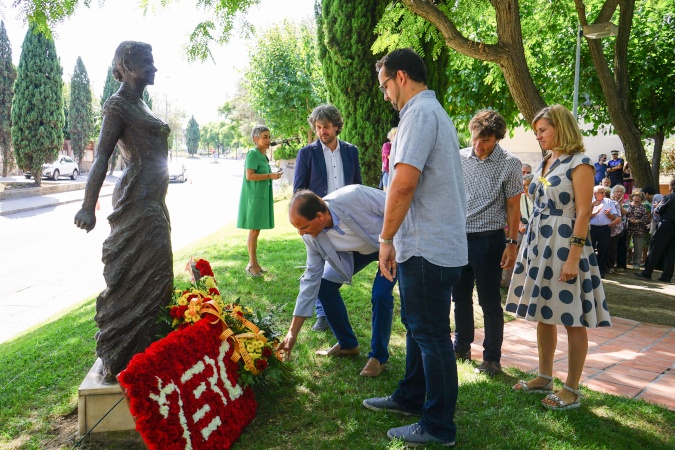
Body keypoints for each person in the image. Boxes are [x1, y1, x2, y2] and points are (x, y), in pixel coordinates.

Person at [362, 48, 467, 447]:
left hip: (426, 247)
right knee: (419, 329)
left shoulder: (420, 114)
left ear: (401, 77)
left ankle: (438, 425)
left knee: (431, 335)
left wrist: (386, 239)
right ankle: (409, 397)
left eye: (385, 85)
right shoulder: (429, 112)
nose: (385, 94)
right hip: (430, 244)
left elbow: (403, 184)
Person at [74, 41, 173, 382]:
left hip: (154, 201)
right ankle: (124, 350)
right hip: (138, 202)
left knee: (156, 277)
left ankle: (148, 351)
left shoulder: (140, 103)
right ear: (128, 65)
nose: (154, 68)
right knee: (147, 274)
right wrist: (88, 206)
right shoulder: (118, 105)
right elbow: (101, 156)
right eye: (148, 61)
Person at [506, 104, 611, 411]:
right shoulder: (547, 161)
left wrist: (573, 258)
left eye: (543, 131)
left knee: (572, 317)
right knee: (543, 313)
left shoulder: (581, 164)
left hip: (565, 243)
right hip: (540, 241)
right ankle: (544, 376)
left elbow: (582, 212)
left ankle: (572, 389)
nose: (538, 137)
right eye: (537, 131)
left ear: (560, 128)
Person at [278, 186, 397, 377]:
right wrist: (293, 332)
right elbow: (310, 280)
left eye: (303, 227)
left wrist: (393, 243)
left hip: (391, 245)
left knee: (381, 294)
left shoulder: (354, 195)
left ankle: (378, 357)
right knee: (324, 287)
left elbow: (397, 206)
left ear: (320, 216)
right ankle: (348, 344)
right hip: (358, 252)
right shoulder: (311, 238)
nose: (301, 234)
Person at [452, 110, 522, 377]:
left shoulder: (509, 163)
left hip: (489, 240)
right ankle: (461, 347)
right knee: (459, 298)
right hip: (458, 238)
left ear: (497, 139)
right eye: (475, 139)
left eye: (486, 141)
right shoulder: (459, 157)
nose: (478, 145)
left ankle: (492, 358)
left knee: (490, 302)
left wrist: (512, 242)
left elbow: (513, 206)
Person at [294, 104, 362, 331]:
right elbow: (299, 191)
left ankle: (329, 306)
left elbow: (357, 185)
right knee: (316, 267)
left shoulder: (351, 151)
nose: (322, 131)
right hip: (316, 219)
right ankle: (322, 314)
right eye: (318, 127)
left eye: (326, 126)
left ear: (336, 126)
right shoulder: (307, 153)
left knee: (339, 265)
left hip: (344, 218)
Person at [237, 125, 282, 277]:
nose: (268, 140)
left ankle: (254, 263)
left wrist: (273, 175)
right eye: (265, 137)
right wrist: (270, 176)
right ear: (255, 139)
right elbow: (249, 176)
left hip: (261, 197)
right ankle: (251, 264)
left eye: (269, 136)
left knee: (256, 231)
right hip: (253, 198)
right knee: (254, 231)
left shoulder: (263, 156)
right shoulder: (253, 154)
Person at [636, 178, 675, 282]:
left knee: (655, 248)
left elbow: (657, 211)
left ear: (671, 187)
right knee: (671, 252)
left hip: (666, 225)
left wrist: (657, 206)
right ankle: (666, 276)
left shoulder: (669, 197)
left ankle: (647, 272)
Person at [589, 185, 620, 278]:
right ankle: (590, 270)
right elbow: (585, 216)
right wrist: (595, 210)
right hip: (592, 228)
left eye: (604, 192)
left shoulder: (608, 201)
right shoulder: (589, 201)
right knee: (590, 249)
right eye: (601, 192)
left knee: (604, 249)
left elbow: (613, 217)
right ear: (595, 193)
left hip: (605, 228)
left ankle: (601, 270)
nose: (604, 194)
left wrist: (608, 214)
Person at [624, 189, 652, 269]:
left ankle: (636, 263)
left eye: (640, 196)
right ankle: (623, 262)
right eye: (636, 196)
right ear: (632, 197)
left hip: (639, 228)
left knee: (638, 246)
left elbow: (646, 218)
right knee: (625, 245)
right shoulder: (627, 205)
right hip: (628, 227)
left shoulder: (643, 207)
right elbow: (624, 215)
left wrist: (638, 221)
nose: (638, 198)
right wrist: (629, 219)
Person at [607, 184, 627, 273]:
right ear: (613, 193)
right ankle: (610, 265)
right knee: (611, 248)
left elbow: (624, 213)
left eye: (621, 192)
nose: (619, 193)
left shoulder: (626, 202)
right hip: (610, 228)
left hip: (621, 228)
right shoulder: (609, 201)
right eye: (617, 191)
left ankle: (620, 266)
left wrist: (619, 204)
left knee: (620, 248)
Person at [381, 127, 397, 192]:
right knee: (386, 193)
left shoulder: (398, 147)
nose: (396, 137)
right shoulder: (387, 145)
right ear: (391, 136)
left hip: (395, 172)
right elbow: (390, 157)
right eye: (394, 134)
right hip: (387, 172)